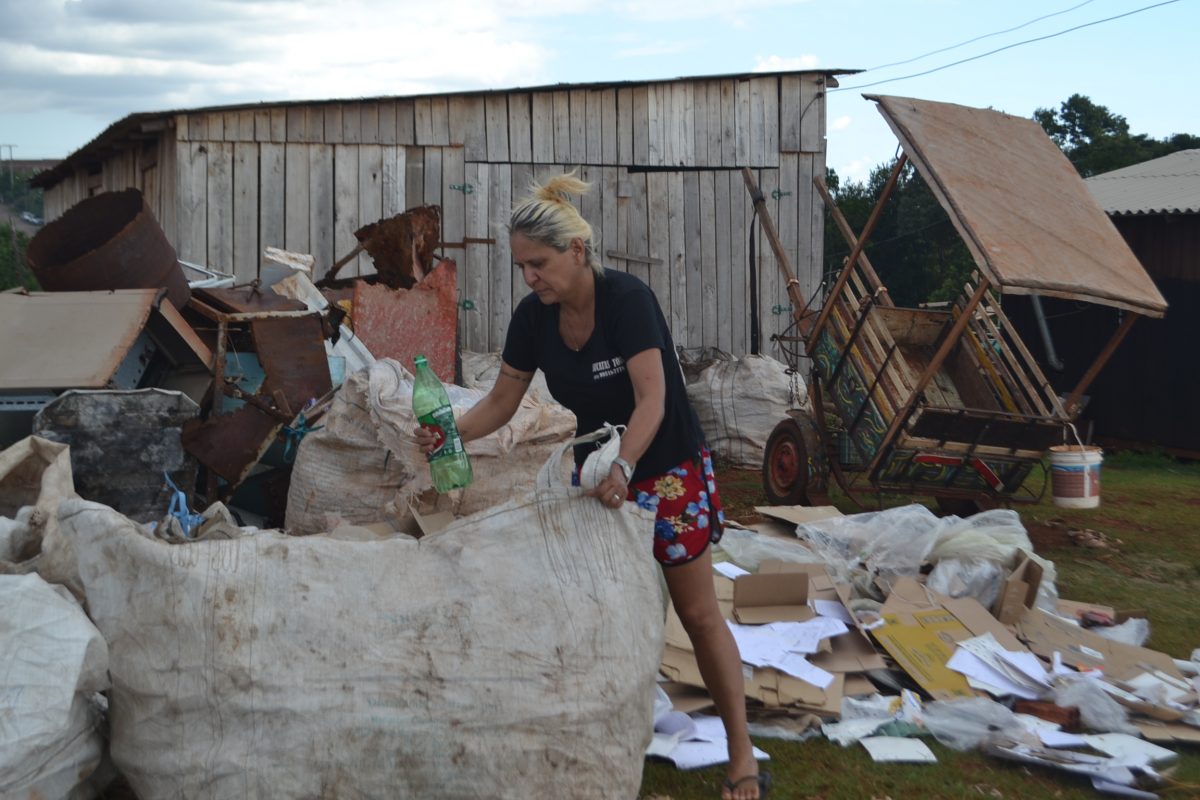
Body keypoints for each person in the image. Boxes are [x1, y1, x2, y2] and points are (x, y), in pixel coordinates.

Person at [414, 172, 769, 800]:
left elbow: (653, 398)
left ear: (577, 252)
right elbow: (502, 399)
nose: (530, 278)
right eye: (522, 266)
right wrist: (450, 436)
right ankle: (595, 734)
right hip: (599, 473)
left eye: (540, 264)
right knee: (593, 607)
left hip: (662, 467)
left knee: (695, 613)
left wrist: (626, 466)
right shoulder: (534, 318)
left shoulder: (628, 300)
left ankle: (741, 756)